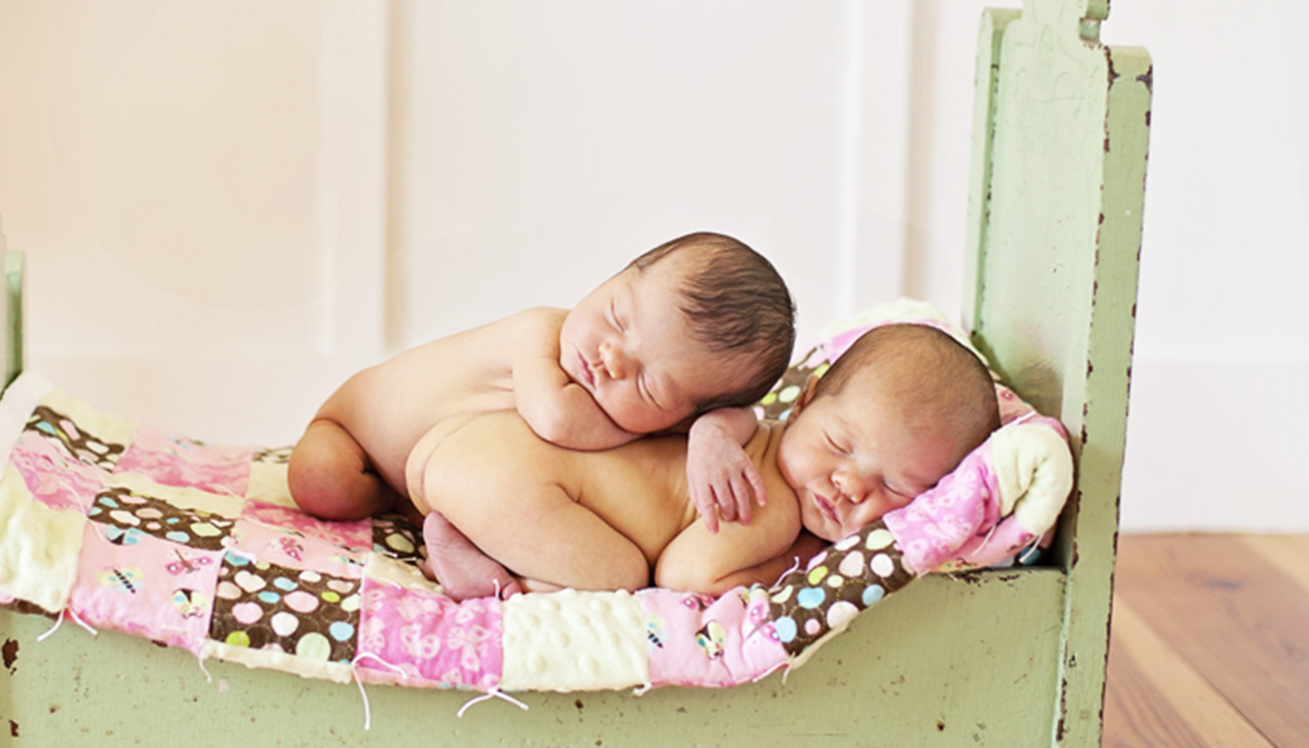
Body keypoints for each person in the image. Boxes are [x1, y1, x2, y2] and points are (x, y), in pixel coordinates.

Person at [411, 323, 1000, 599]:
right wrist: (795, 563)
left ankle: (466, 531)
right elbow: (687, 575)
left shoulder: (748, 428)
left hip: (469, 445)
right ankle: (485, 569)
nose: (848, 484)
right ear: (806, 399)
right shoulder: (766, 505)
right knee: (618, 576)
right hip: (513, 482)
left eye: (896, 487)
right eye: (840, 446)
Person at [286, 233, 796, 532]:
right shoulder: (538, 332)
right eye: (617, 317)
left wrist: (711, 434)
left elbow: (751, 415)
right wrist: (650, 424)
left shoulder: (656, 407)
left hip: (447, 468)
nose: (612, 358)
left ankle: (426, 511)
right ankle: (393, 504)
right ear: (612, 277)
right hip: (356, 436)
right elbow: (554, 420)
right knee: (322, 483)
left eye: (649, 386)